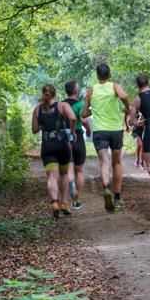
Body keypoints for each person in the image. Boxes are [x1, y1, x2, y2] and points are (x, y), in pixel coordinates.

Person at [82, 63, 130, 212]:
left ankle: (106, 188)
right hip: (115, 130)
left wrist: (95, 110)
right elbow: (124, 96)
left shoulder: (91, 90)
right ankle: (117, 197)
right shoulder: (114, 86)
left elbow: (84, 114)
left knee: (104, 161)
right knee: (116, 163)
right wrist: (127, 108)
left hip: (99, 131)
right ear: (109, 75)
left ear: (97, 76)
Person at [31, 84, 77, 219]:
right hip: (62, 145)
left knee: (51, 176)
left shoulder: (37, 109)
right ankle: (64, 203)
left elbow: (34, 130)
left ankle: (55, 203)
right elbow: (73, 118)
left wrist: (43, 123)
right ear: (55, 94)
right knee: (63, 175)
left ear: (43, 94)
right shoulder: (62, 106)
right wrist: (72, 133)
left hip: (47, 146)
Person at [63, 80, 91, 210]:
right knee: (79, 171)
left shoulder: (61, 105)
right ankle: (76, 199)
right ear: (76, 91)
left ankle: (71, 185)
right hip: (78, 137)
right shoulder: (80, 104)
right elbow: (84, 120)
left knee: (69, 168)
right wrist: (89, 130)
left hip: (64, 139)